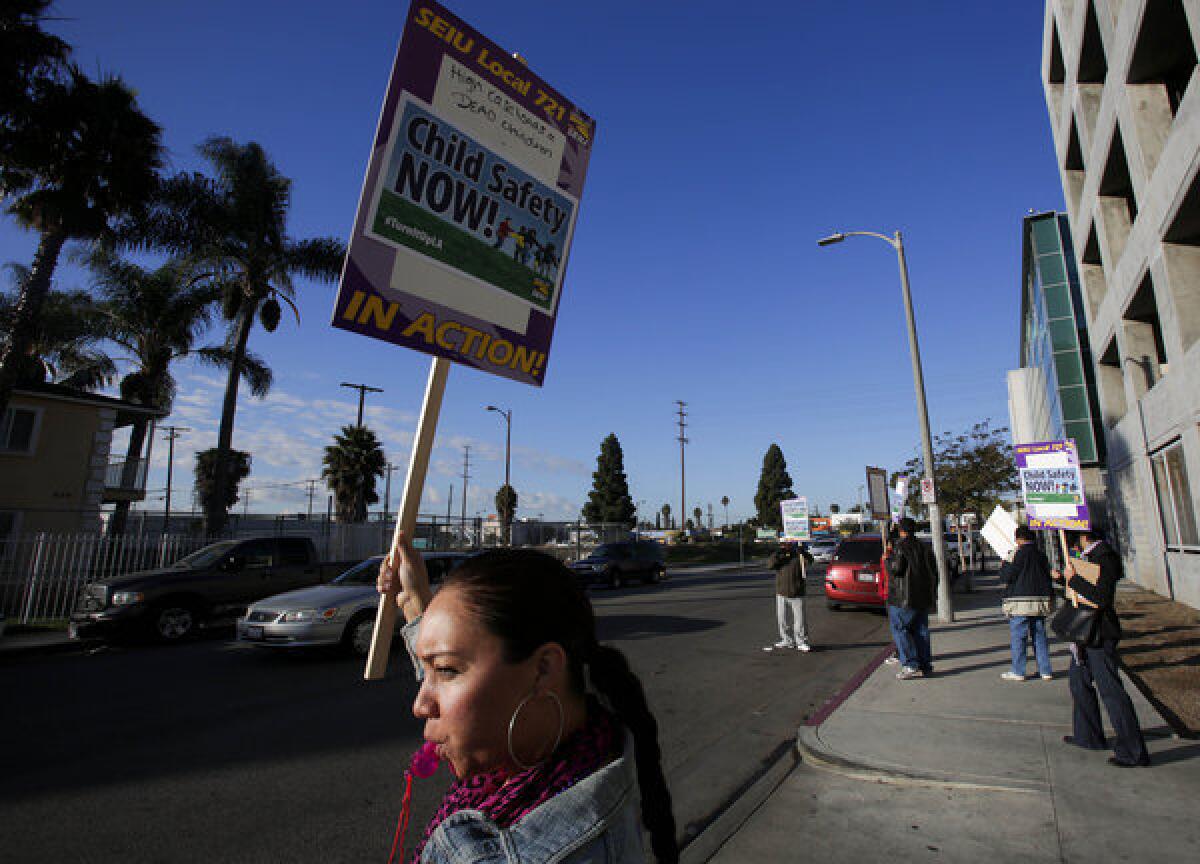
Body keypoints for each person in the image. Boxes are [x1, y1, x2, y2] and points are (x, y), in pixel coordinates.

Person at [377, 534, 679, 863]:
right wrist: (414, 603)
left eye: (446, 670)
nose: (420, 705)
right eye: (429, 668)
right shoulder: (594, 727)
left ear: (544, 669)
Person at [1053, 529, 1151, 768]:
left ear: (1084, 536)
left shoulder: (1105, 557)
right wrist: (1062, 579)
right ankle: (1088, 735)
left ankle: (1132, 750)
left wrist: (1073, 578)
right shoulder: (1088, 556)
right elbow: (1079, 590)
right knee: (1079, 684)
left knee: (1111, 690)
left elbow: (1101, 596)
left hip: (1098, 632)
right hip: (1084, 635)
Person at [998, 525, 1056, 681]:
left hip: (1019, 601)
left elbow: (1007, 576)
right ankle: (1045, 670)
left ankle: (1018, 671)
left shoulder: (1016, 554)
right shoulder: (1041, 555)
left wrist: (1003, 565)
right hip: (1040, 600)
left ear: (1017, 539)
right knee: (1040, 636)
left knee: (1019, 637)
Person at [885, 517, 937, 679]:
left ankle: (910, 664)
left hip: (903, 597)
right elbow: (934, 572)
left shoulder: (901, 547)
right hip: (922, 596)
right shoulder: (925, 547)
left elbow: (896, 569)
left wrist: (887, 560)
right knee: (921, 631)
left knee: (900, 629)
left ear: (902, 531)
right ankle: (925, 664)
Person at [763, 539, 812, 652]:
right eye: (783, 544)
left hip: (797, 592)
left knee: (800, 619)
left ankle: (801, 641)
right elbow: (770, 565)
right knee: (782, 619)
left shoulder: (799, 554)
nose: (785, 545)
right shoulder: (780, 556)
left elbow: (810, 561)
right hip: (781, 592)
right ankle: (787, 640)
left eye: (788, 543)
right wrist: (778, 553)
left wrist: (803, 552)